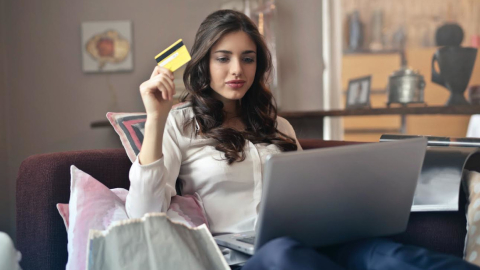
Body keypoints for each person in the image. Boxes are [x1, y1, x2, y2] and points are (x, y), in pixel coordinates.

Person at [127, 9, 480, 270]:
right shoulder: (180, 124)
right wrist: (156, 119)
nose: (238, 70)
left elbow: (308, 197)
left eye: (248, 59)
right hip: (244, 258)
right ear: (204, 64)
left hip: (313, 242)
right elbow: (143, 213)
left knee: (390, 255)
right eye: (224, 58)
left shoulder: (277, 125)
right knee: (285, 256)